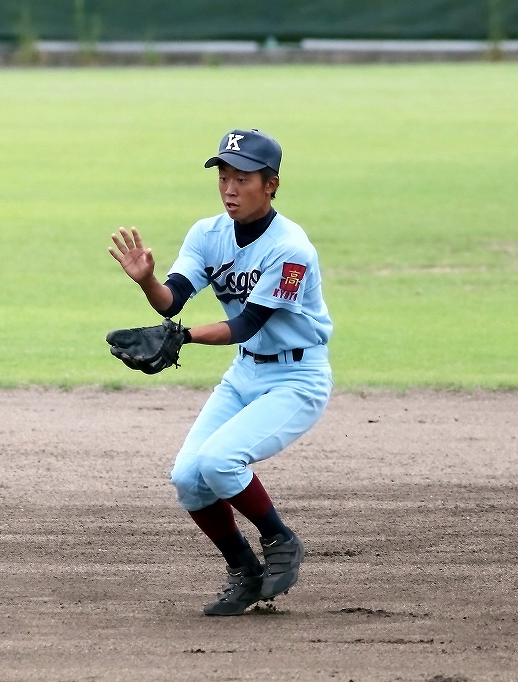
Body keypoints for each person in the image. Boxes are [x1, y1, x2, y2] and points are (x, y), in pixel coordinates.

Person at [107, 129, 333, 616]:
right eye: (224, 177)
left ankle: (280, 540)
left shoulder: (291, 248)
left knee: (220, 462)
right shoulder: (207, 234)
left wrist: (181, 338)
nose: (230, 188)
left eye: (243, 178)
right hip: (245, 374)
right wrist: (147, 280)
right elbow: (173, 299)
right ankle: (244, 571)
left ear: (271, 184)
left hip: (297, 379)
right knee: (189, 477)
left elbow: (248, 323)